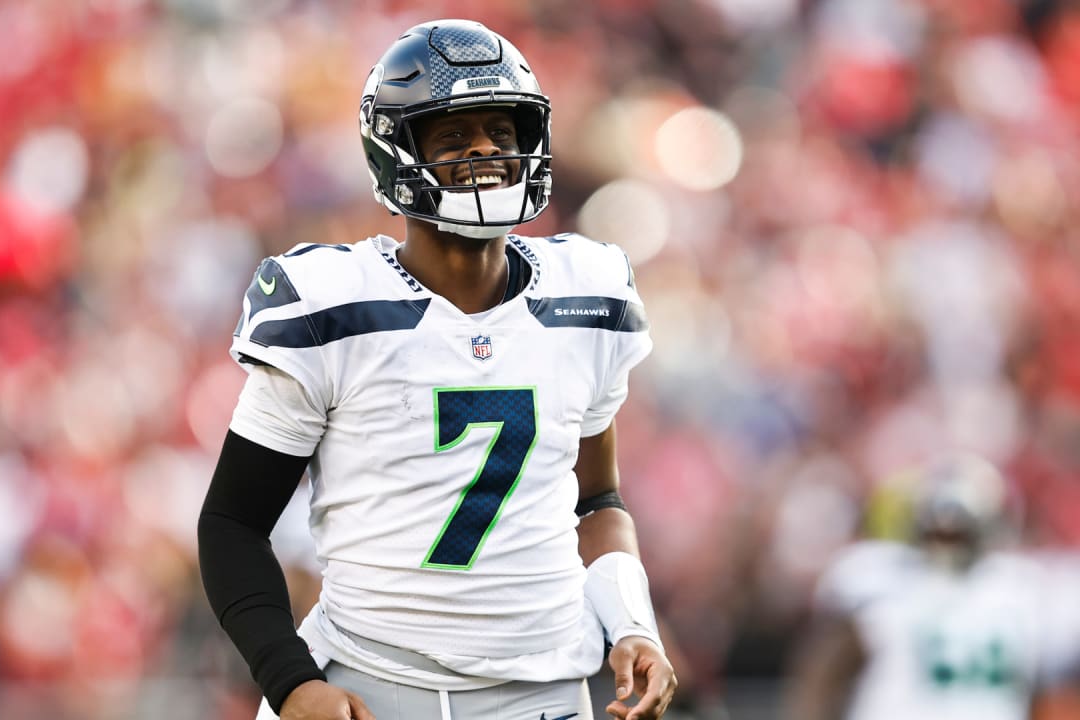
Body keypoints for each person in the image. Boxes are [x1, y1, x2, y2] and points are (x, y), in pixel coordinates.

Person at [197, 18, 677, 720]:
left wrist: (634, 625)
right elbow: (233, 523)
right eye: (454, 137)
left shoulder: (587, 293)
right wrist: (291, 681)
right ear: (396, 156)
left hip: (547, 699)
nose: (486, 150)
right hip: (372, 691)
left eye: (502, 134)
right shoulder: (333, 306)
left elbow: (596, 503)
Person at [785, 454, 1080, 720]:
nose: (947, 544)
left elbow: (822, 675)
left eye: (956, 534)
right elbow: (825, 672)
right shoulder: (1023, 590)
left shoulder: (1022, 589)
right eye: (941, 532)